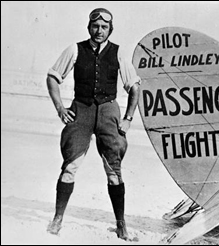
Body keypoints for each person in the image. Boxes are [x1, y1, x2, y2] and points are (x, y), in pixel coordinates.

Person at [46, 8, 140, 241]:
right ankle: (58, 219)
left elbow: (135, 87)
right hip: (81, 110)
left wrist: (127, 119)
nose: (99, 31)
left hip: (109, 111)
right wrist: (60, 108)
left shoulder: (119, 53)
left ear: (111, 29)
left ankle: (121, 225)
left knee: (114, 172)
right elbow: (52, 77)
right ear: (89, 27)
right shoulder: (75, 49)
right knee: (70, 166)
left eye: (104, 27)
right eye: (95, 26)